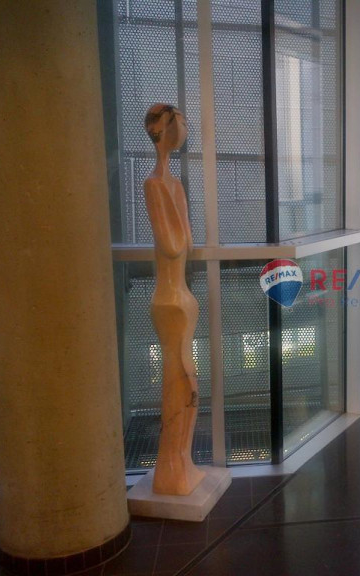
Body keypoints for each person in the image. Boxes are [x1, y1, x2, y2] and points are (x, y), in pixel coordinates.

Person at [143, 103, 205, 496]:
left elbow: (186, 242)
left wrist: (178, 198)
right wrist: (175, 201)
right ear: (160, 130)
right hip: (169, 301)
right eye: (177, 121)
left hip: (182, 298)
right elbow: (173, 244)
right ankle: (171, 468)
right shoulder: (154, 185)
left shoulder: (173, 185)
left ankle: (182, 461)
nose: (183, 127)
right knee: (178, 383)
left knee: (188, 384)